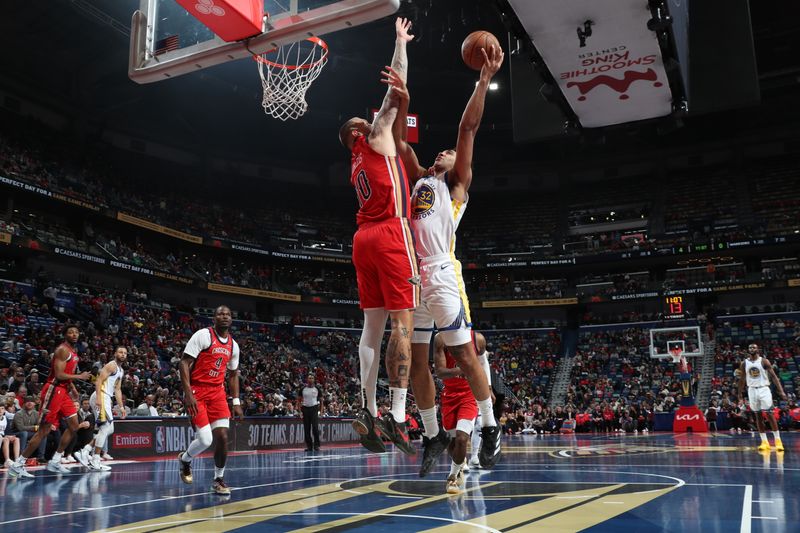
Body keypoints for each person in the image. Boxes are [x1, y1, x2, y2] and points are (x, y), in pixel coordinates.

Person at [385, 42, 505, 472]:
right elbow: (399, 143)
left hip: (440, 272)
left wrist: (484, 79)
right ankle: (432, 433)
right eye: (441, 151)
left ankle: (490, 426)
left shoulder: (455, 185)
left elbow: (467, 129)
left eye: (448, 152)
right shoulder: (420, 177)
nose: (443, 151)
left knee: (466, 354)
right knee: (418, 361)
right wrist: (403, 99)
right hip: (411, 276)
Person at [339, 17, 417, 456]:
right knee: (403, 323)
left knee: (372, 329)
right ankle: (399, 415)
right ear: (357, 132)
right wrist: (400, 43)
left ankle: (367, 406)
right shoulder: (375, 139)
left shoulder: (354, 162)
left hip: (362, 237)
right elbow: (395, 87)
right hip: (389, 233)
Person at [8, 324, 91, 478]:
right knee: (44, 430)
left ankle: (56, 460)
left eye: (76, 332)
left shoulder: (74, 351)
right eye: (71, 332)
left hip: (64, 391)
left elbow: (67, 373)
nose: (74, 334)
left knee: (73, 426)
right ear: (65, 335)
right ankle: (18, 464)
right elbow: (59, 375)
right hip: (53, 390)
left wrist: (72, 387)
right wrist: (79, 377)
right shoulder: (62, 350)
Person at [177, 306, 242, 495]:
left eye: (228, 314)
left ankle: (218, 479)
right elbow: (183, 363)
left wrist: (236, 402)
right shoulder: (203, 335)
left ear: (231, 319)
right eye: (220, 314)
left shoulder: (233, 345)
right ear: (214, 318)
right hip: (197, 391)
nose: (224, 316)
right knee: (205, 440)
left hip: (217, 394)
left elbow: (232, 375)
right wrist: (188, 393)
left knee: (222, 437)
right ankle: (185, 459)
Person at [433, 331, 491, 493]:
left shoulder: (477, 338)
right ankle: (459, 462)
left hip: (469, 394)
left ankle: (452, 477)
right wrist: (464, 369)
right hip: (449, 395)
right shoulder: (440, 338)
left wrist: (489, 388)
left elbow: (483, 363)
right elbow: (440, 372)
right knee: (452, 444)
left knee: (462, 437)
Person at [74, 346, 127, 471]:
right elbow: (98, 381)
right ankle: (95, 459)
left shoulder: (120, 370)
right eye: (120, 352)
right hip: (101, 395)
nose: (123, 354)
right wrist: (98, 398)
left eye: (125, 353)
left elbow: (118, 389)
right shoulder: (111, 365)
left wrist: (121, 407)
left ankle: (85, 450)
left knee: (110, 429)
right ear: (115, 353)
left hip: (106, 397)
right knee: (105, 427)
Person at [738, 343, 786, 451]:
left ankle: (778, 441)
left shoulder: (764, 361)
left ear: (758, 349)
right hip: (751, 390)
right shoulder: (744, 363)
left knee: (769, 414)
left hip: (764, 388)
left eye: (754, 347)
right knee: (758, 416)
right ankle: (764, 442)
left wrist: (781, 391)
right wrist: (739, 394)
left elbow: (774, 377)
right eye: (750, 347)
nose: (752, 349)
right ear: (748, 350)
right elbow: (741, 380)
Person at [13, 396, 46, 463]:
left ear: (34, 404)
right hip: (16, 433)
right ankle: (22, 457)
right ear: (24, 404)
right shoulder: (19, 414)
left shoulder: (36, 413)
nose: (29, 403)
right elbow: (20, 428)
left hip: (29, 433)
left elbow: (39, 426)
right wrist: (35, 427)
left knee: (42, 434)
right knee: (24, 433)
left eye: (31, 402)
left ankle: (40, 457)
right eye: (27, 402)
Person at [300, 375, 322, 451]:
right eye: (309, 378)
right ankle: (309, 446)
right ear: (307, 379)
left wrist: (321, 411)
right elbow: (298, 400)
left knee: (315, 428)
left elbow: (321, 401)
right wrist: (299, 410)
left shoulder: (317, 389)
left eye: (312, 378)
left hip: (314, 409)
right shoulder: (303, 389)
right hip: (305, 409)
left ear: (314, 379)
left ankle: (316, 445)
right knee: (307, 428)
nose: (310, 379)